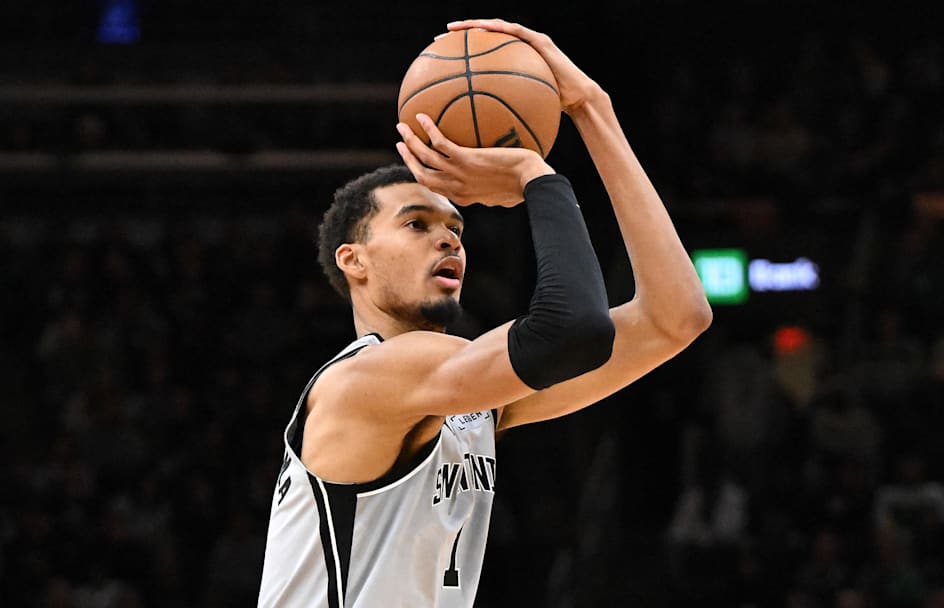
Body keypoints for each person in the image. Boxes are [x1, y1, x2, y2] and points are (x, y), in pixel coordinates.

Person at [257, 18, 712, 607]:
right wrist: (535, 175)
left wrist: (593, 110)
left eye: (456, 228)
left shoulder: (466, 400)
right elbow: (570, 330)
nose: (448, 240)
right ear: (354, 260)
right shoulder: (366, 380)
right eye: (416, 223)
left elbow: (677, 318)